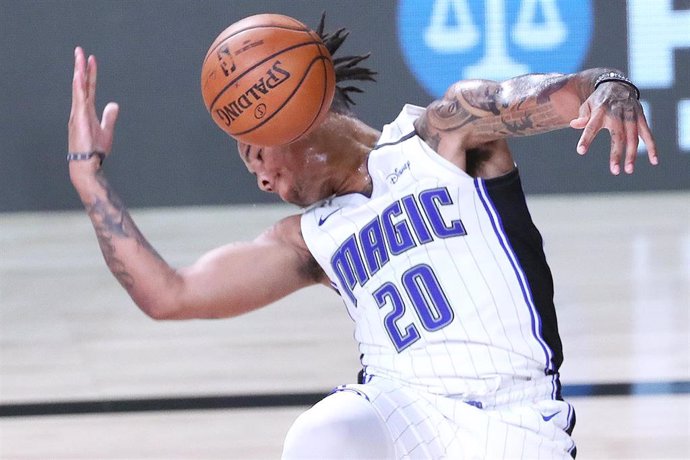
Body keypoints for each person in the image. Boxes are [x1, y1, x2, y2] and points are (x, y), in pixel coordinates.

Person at [67, 15, 657, 460]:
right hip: (401, 409)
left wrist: (609, 87)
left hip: (515, 418)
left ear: (296, 113)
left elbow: (551, 95)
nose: (264, 180)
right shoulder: (308, 239)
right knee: (324, 434)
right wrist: (88, 178)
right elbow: (171, 295)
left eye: (257, 155)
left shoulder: (444, 136)